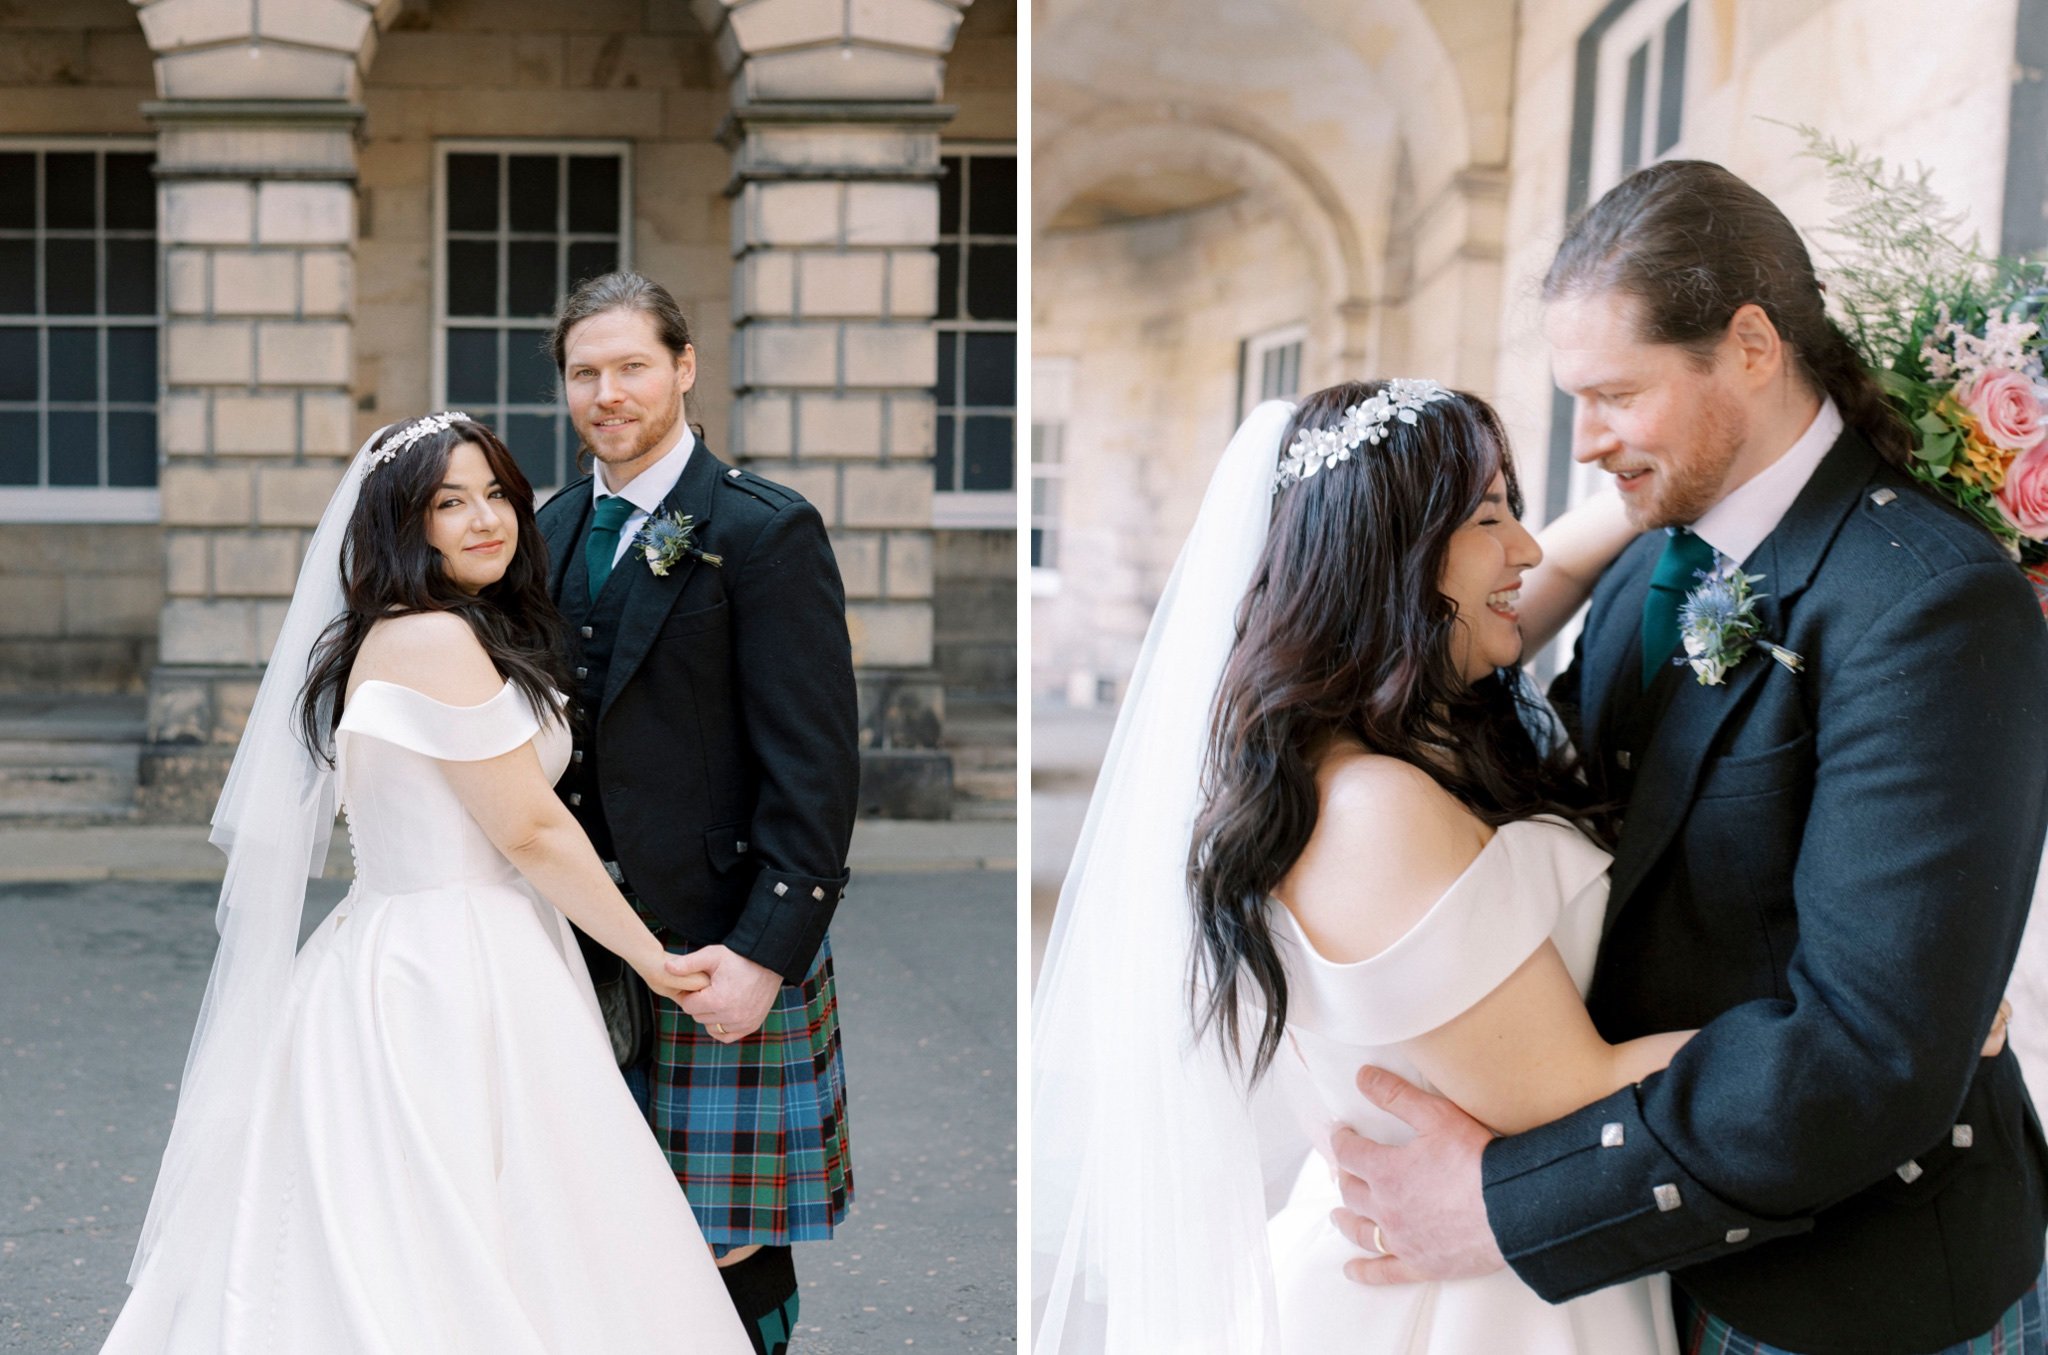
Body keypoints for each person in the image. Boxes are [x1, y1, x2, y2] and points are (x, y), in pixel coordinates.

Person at [1333, 161, 2048, 1354]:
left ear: (1752, 345)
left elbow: (1871, 1055)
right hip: (1656, 1275)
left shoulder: (1924, 603)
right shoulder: (1647, 559)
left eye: (1614, 393)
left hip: (1847, 1295)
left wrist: (1509, 1206)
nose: (1588, 443)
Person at [1034, 377, 1737, 1354]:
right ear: (1389, 557)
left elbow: (1530, 584)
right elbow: (1562, 1089)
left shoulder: (1392, 740)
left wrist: (1652, 484)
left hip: (1506, 1262)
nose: (1525, 550)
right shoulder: (1370, 808)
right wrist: (1880, 1027)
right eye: (1489, 516)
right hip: (1450, 1307)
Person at [103, 413, 752, 1353]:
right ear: (405, 523)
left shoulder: (430, 629)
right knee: (457, 1221)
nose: (486, 519)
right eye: (450, 503)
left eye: (495, 495)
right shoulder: (432, 640)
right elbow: (528, 825)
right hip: (446, 970)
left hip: (445, 945)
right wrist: (652, 959)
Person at [534, 272, 860, 1355]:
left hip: (716, 925)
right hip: (577, 930)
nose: (607, 392)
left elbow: (814, 768)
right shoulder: (548, 525)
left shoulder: (763, 529)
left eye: (631, 365)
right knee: (594, 1203)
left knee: (722, 1223)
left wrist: (766, 950)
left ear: (682, 367)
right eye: (585, 372)